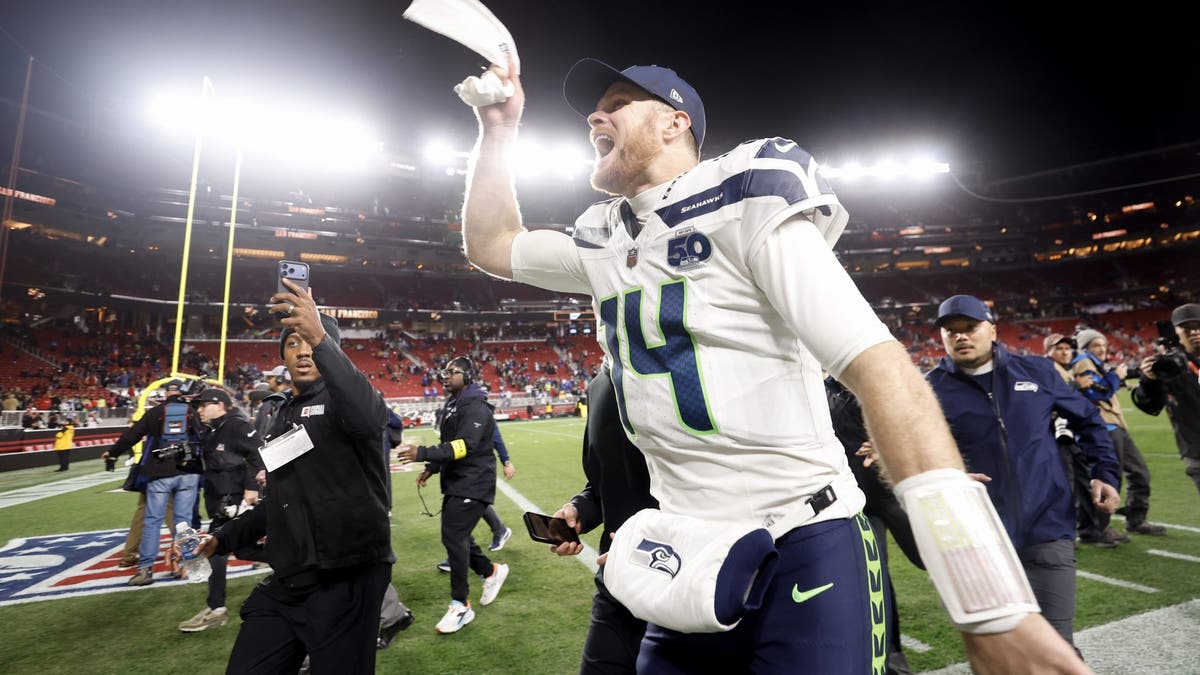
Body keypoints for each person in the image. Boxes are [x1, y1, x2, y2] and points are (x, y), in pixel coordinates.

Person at [458, 57, 1093, 672]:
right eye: (594, 113)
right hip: (684, 549)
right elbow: (491, 244)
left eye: (619, 106)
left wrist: (986, 605)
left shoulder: (742, 195)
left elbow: (880, 367)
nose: (597, 119)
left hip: (803, 537)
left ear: (676, 122)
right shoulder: (603, 240)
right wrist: (499, 128)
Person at [196, 285, 394, 674]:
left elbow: (371, 417)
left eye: (312, 344)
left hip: (346, 576)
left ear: (329, 350)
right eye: (292, 344)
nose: (303, 351)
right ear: (282, 355)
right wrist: (223, 537)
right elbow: (281, 499)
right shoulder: (282, 415)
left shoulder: (347, 402)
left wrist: (321, 335)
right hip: (290, 578)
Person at [927, 295, 1121, 647]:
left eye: (970, 327)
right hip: (976, 537)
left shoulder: (1037, 371)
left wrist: (1104, 472)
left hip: (1048, 527)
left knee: (1057, 647)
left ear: (993, 329)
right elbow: (916, 453)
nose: (961, 337)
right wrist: (942, 475)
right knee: (1002, 651)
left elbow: (1090, 420)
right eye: (950, 331)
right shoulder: (929, 388)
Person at [550, 368, 657, 674]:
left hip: (676, 584)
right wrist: (579, 510)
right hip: (615, 587)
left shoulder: (674, 370)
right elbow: (601, 482)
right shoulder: (600, 384)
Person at [396, 356, 510, 634]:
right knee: (455, 536)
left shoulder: (475, 406)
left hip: (474, 481)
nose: (445, 376)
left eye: (452, 372)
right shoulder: (454, 404)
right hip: (459, 481)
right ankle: (491, 572)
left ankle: (460, 605)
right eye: (443, 372)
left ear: (468, 376)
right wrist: (432, 468)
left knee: (454, 536)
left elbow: (465, 445)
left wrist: (423, 454)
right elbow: (449, 445)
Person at [177, 387, 263, 633]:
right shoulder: (210, 432)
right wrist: (182, 463)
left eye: (204, 405)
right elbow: (210, 468)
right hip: (219, 503)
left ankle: (217, 610)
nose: (200, 410)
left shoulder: (237, 426)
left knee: (217, 551)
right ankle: (293, 561)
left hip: (235, 503)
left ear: (220, 405)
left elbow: (260, 453)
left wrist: (251, 487)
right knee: (243, 550)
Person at [102, 380, 204, 586]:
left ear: (166, 394)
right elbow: (204, 438)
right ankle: (186, 566)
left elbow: (131, 436)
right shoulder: (192, 412)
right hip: (188, 472)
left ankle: (145, 570)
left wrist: (112, 454)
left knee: (152, 522)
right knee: (184, 523)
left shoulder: (154, 412)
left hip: (159, 472)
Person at [1072, 328, 1166, 536]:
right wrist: (1116, 376)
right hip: (1103, 426)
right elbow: (1095, 393)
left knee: (1139, 473)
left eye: (1104, 344)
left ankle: (1135, 518)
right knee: (1109, 479)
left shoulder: (1095, 364)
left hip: (1116, 426)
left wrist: (1124, 377)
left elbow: (1106, 384)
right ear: (1086, 347)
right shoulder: (1082, 361)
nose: (1102, 348)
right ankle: (1100, 528)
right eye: (1096, 345)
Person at [1044, 334, 1124, 548]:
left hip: (1074, 434)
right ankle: (1061, 533)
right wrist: (1075, 385)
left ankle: (1089, 529)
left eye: (1068, 348)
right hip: (1054, 437)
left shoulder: (1069, 369)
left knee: (1081, 481)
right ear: (1048, 351)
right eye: (1058, 348)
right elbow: (1048, 397)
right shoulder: (1044, 369)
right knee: (1064, 484)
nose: (1065, 352)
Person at [1132, 303, 1200, 495]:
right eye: (1186, 328)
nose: (1194, 332)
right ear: (1176, 332)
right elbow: (1149, 405)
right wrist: (1149, 380)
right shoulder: (1169, 366)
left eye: (1198, 326)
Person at [436, 426, 516, 572]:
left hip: (473, 468)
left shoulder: (477, 407)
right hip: (459, 467)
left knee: (460, 515)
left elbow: (494, 434)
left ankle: (461, 560)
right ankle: (499, 530)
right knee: (467, 506)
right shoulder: (455, 406)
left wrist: (506, 461)